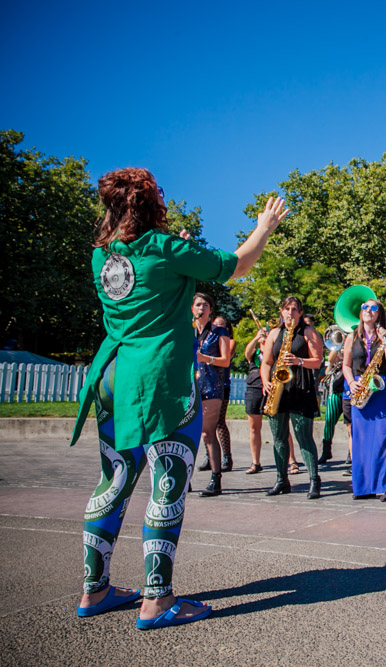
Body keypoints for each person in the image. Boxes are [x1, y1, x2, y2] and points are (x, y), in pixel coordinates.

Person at [70, 167, 286, 629]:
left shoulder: (102, 256)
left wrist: (181, 254)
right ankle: (157, 600)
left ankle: (95, 589)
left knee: (113, 479)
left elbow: (151, 285)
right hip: (160, 378)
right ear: (153, 204)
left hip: (112, 374)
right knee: (167, 480)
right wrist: (263, 228)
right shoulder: (169, 249)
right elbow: (238, 263)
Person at [260, 296, 324, 499]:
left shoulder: (308, 332)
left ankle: (314, 480)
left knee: (303, 436)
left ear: (300, 313)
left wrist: (298, 361)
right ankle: (281, 480)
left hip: (301, 388)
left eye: (294, 310)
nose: (290, 313)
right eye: (287, 309)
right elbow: (267, 362)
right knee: (279, 437)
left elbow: (318, 361)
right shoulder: (275, 333)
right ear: (282, 312)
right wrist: (265, 381)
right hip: (278, 390)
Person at [342, 297, 386, 501]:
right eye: (364, 307)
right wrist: (351, 383)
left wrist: (385, 342)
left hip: (384, 388)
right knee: (362, 440)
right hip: (361, 388)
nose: (368, 310)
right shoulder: (351, 337)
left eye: (373, 308)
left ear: (379, 314)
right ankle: (364, 487)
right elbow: (346, 365)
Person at [191, 293, 232, 496]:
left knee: (207, 432)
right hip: (189, 386)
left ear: (210, 309)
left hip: (212, 386)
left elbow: (225, 360)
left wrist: (205, 358)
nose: (201, 308)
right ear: (192, 308)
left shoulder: (219, 331)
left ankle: (216, 479)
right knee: (187, 433)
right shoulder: (186, 331)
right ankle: (184, 477)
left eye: (205, 305)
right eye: (198, 304)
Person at [242, 324, 267, 474]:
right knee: (254, 427)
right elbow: (247, 353)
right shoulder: (255, 352)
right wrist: (256, 338)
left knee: (280, 426)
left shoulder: (273, 350)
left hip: (270, 387)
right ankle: (255, 462)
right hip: (254, 386)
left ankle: (292, 461)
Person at [213, 315, 236, 472]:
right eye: (214, 324)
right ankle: (210, 456)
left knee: (220, 421)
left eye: (220, 325)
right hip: (207, 383)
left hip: (222, 384)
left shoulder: (229, 341)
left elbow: (227, 356)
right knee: (206, 425)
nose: (216, 327)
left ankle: (227, 456)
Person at [318, 344, 346, 465]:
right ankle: (326, 451)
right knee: (329, 421)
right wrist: (337, 347)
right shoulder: (336, 356)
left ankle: (351, 453)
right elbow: (329, 365)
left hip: (349, 393)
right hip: (335, 392)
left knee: (351, 424)